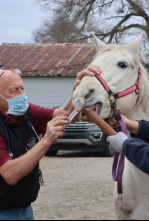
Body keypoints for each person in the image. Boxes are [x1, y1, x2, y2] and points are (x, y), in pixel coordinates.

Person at [0, 65, 101, 220]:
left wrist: (78, 89)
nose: (22, 95)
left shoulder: (25, 111)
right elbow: (10, 174)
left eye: (22, 88)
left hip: (25, 210)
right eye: (14, 91)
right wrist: (46, 141)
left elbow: (65, 115)